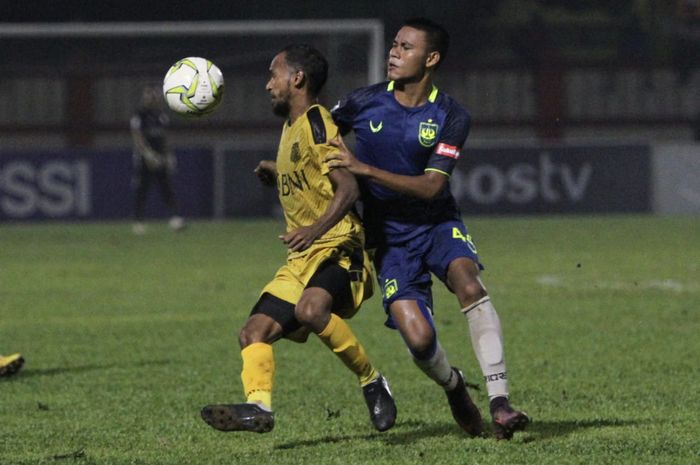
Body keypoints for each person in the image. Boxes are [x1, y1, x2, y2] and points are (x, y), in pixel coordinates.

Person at [328, 18, 530, 440]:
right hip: (388, 239)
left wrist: (364, 168)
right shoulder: (361, 103)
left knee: (469, 285)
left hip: (437, 222)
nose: (393, 52)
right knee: (420, 342)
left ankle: (500, 402)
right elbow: (316, 137)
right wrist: (284, 166)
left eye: (405, 46)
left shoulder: (451, 115)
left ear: (431, 58)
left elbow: (432, 186)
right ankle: (455, 387)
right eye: (394, 45)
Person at [200, 44, 396, 434]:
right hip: (303, 260)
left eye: (274, 74)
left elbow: (348, 188)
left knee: (310, 310)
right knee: (253, 333)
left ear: (297, 79)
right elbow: (312, 174)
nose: (267, 84)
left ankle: (372, 380)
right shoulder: (290, 128)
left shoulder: (317, 121)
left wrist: (313, 230)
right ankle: (258, 407)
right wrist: (278, 171)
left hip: (340, 249)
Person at [130, 85, 185, 234]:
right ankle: (138, 221)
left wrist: (169, 155)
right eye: (149, 96)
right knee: (142, 188)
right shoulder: (139, 115)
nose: (152, 99)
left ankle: (175, 218)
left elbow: (166, 137)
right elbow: (137, 136)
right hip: (145, 158)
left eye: (154, 96)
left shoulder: (161, 116)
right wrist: (147, 154)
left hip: (161, 157)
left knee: (166, 187)